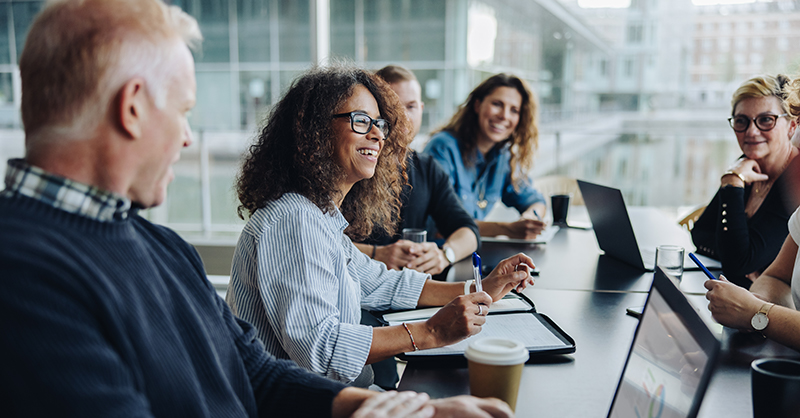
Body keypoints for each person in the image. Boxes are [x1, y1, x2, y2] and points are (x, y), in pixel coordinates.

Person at [0, 1, 514, 417]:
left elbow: (252, 371)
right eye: (183, 112)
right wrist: (425, 340)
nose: (185, 139)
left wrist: (404, 410)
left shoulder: (160, 246)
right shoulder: (21, 272)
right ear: (132, 107)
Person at [227, 63, 535, 388]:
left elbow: (382, 284)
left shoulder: (319, 216)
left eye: (379, 124)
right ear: (313, 131)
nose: (377, 134)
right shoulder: (293, 221)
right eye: (361, 121)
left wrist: (480, 288)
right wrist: (431, 332)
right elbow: (322, 352)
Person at [353, 65, 479, 276]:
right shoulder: (355, 164)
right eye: (392, 107)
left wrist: (444, 254)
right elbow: (321, 239)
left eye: (410, 107)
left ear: (421, 109)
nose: (402, 116)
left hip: (412, 294)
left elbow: (468, 230)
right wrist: (377, 254)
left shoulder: (427, 168)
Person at [692, 74, 800, 288]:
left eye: (766, 119)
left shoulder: (794, 178)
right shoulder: (746, 165)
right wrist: (737, 256)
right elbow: (700, 234)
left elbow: (737, 263)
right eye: (741, 121)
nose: (751, 131)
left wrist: (732, 183)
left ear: (791, 126)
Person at [424, 73, 547, 240]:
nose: (504, 115)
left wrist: (531, 218)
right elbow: (439, 226)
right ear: (477, 105)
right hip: (438, 256)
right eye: (497, 104)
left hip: (472, 253)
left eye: (514, 110)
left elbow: (535, 200)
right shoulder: (443, 148)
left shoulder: (503, 156)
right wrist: (506, 229)